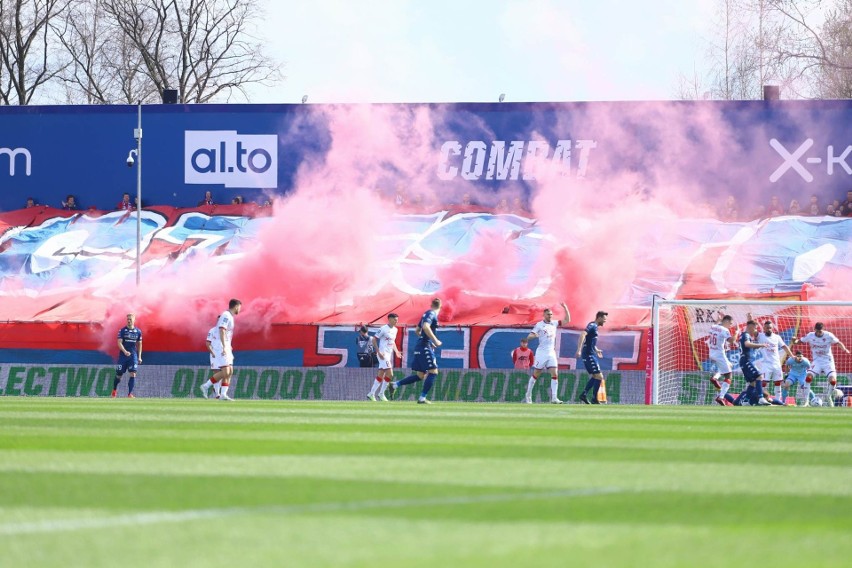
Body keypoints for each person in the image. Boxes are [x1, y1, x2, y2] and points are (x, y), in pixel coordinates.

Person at [387, 298, 443, 404]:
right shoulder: (431, 313)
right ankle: (422, 398)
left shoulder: (425, 314)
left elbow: (418, 330)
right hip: (424, 347)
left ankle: (395, 385)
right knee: (433, 372)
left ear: (431, 304)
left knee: (420, 375)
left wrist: (427, 340)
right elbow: (425, 327)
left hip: (420, 346)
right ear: (441, 306)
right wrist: (435, 340)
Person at [793, 322, 851, 407]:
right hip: (817, 361)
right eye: (818, 331)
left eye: (821, 331)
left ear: (823, 329)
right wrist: (794, 341)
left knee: (833, 380)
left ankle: (828, 397)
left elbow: (838, 342)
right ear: (815, 329)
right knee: (808, 378)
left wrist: (845, 349)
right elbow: (800, 341)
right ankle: (806, 402)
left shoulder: (828, 335)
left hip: (828, 361)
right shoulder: (810, 335)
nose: (819, 333)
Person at [523, 302, 571, 404]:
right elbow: (529, 336)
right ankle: (528, 394)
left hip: (551, 352)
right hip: (542, 352)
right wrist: (535, 335)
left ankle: (554, 397)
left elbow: (567, 320)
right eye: (548, 314)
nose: (550, 316)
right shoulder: (539, 325)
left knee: (555, 374)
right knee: (536, 374)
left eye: (551, 314)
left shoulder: (554, 323)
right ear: (544, 315)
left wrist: (565, 307)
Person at [208, 299, 242, 401]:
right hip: (218, 350)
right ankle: (210, 388)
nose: (240, 309)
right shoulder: (226, 316)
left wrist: (228, 345)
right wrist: (222, 347)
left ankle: (222, 394)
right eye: (240, 307)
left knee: (229, 371)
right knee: (224, 371)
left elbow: (225, 333)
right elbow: (209, 341)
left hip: (225, 347)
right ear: (236, 306)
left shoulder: (230, 317)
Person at [755, 318, 793, 401]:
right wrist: (750, 319)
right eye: (767, 328)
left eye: (770, 328)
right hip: (766, 364)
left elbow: (784, 347)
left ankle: (777, 399)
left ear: (772, 328)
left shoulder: (777, 337)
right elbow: (753, 330)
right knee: (764, 382)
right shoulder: (760, 336)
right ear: (764, 328)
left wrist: (792, 356)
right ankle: (763, 399)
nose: (769, 329)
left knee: (778, 382)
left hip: (776, 364)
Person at [367, 313, 402, 402]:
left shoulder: (395, 330)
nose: (396, 321)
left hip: (388, 354)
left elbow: (392, 341)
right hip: (383, 354)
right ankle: (381, 393)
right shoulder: (383, 329)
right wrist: (378, 352)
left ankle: (371, 394)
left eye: (397, 319)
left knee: (381, 374)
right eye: (395, 319)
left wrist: (397, 351)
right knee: (390, 374)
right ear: (389, 319)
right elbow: (374, 339)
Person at [576, 310, 608, 404]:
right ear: (599, 317)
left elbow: (590, 341)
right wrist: (579, 349)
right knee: (599, 376)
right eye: (604, 319)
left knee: (596, 376)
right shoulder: (592, 325)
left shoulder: (595, 327)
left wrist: (596, 349)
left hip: (591, 353)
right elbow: (583, 334)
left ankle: (584, 395)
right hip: (588, 354)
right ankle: (594, 398)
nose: (605, 321)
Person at [738, 320, 772, 406]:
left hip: (744, 361)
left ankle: (745, 401)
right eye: (755, 328)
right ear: (751, 326)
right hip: (746, 360)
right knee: (759, 376)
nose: (755, 330)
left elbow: (748, 346)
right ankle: (761, 398)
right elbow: (747, 344)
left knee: (753, 383)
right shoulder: (746, 335)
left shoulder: (745, 335)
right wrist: (761, 345)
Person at [708, 315, 737, 406]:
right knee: (729, 376)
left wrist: (718, 320)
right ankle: (721, 397)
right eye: (730, 323)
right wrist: (736, 332)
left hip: (712, 353)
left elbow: (715, 324)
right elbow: (731, 341)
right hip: (720, 354)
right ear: (727, 321)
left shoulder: (713, 326)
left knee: (728, 365)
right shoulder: (725, 330)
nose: (730, 326)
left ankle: (715, 378)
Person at [112, 313, 143, 398]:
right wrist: (125, 351)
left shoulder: (138, 332)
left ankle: (130, 394)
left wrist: (139, 356)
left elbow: (140, 344)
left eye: (130, 319)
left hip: (133, 356)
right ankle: (114, 390)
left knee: (133, 373)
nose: (129, 321)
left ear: (134, 320)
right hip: (123, 356)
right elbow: (119, 343)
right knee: (119, 375)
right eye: (128, 319)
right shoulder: (122, 331)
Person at [199, 325, 222, 399]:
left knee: (225, 372)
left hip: (223, 354)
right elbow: (207, 343)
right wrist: (212, 352)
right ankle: (218, 394)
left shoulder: (226, 331)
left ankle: (207, 386)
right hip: (215, 355)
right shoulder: (212, 330)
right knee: (217, 372)